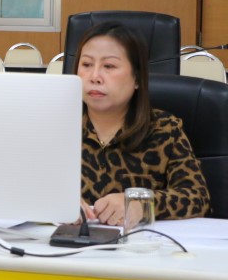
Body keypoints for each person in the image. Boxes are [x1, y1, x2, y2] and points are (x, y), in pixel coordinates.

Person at [75, 21, 210, 226]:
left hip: (141, 243)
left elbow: (198, 198)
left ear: (137, 78)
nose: (94, 77)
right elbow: (26, 186)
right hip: (63, 244)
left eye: (109, 66)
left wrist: (141, 204)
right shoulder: (57, 126)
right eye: (86, 65)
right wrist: (53, 203)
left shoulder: (164, 129)